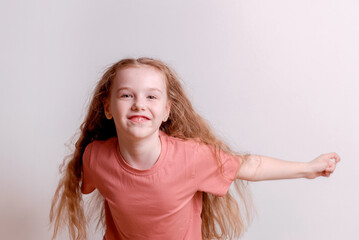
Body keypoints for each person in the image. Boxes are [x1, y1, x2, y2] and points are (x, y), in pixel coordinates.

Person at [50, 57, 340, 240]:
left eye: (151, 96)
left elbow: (249, 165)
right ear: (108, 107)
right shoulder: (96, 158)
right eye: (127, 95)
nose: (139, 103)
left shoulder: (191, 158)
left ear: (166, 111)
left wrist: (307, 168)